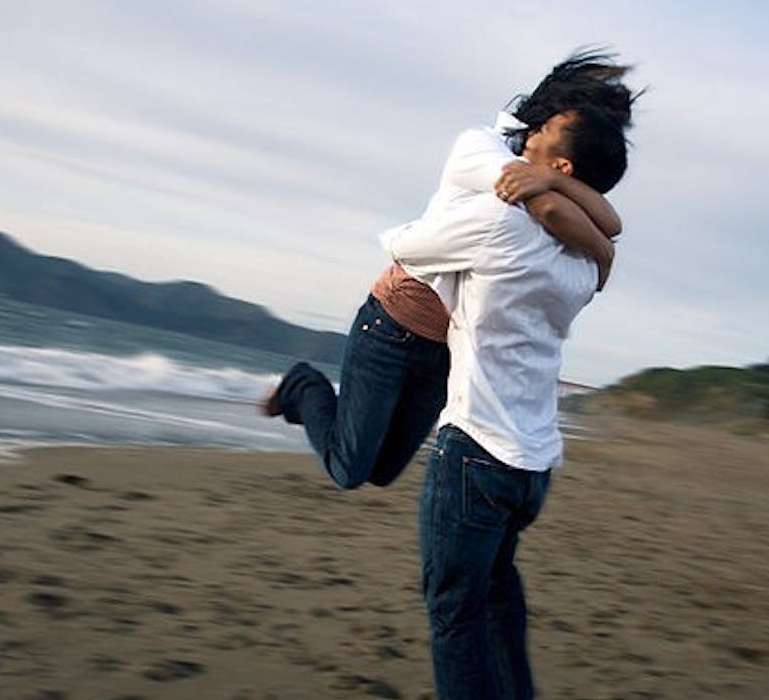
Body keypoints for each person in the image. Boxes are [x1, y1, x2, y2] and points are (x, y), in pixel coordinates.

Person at [387, 62, 638, 700]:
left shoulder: (501, 228)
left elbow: (404, 245)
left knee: (456, 603)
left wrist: (425, 221)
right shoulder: (588, 264)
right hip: (533, 461)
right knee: (497, 593)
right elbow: (599, 231)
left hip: (476, 447)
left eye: (545, 134)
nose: (527, 136)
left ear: (562, 166)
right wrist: (559, 193)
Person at [263, 50, 630, 492]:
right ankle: (301, 384)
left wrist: (571, 200)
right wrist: (597, 243)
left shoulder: (553, 176)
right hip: (394, 324)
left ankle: (339, 410)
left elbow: (608, 222)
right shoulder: (483, 147)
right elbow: (552, 209)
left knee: (383, 472)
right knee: (349, 470)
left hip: (449, 349)